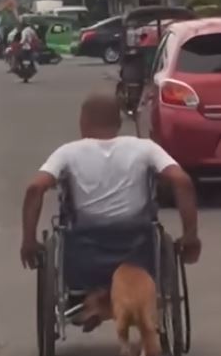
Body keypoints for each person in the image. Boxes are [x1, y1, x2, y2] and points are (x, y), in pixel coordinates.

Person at [20, 93, 201, 277]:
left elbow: (35, 188)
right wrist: (190, 236)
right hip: (138, 241)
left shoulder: (67, 152)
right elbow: (182, 181)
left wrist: (29, 241)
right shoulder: (145, 148)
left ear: (82, 121)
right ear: (119, 123)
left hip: (85, 242)